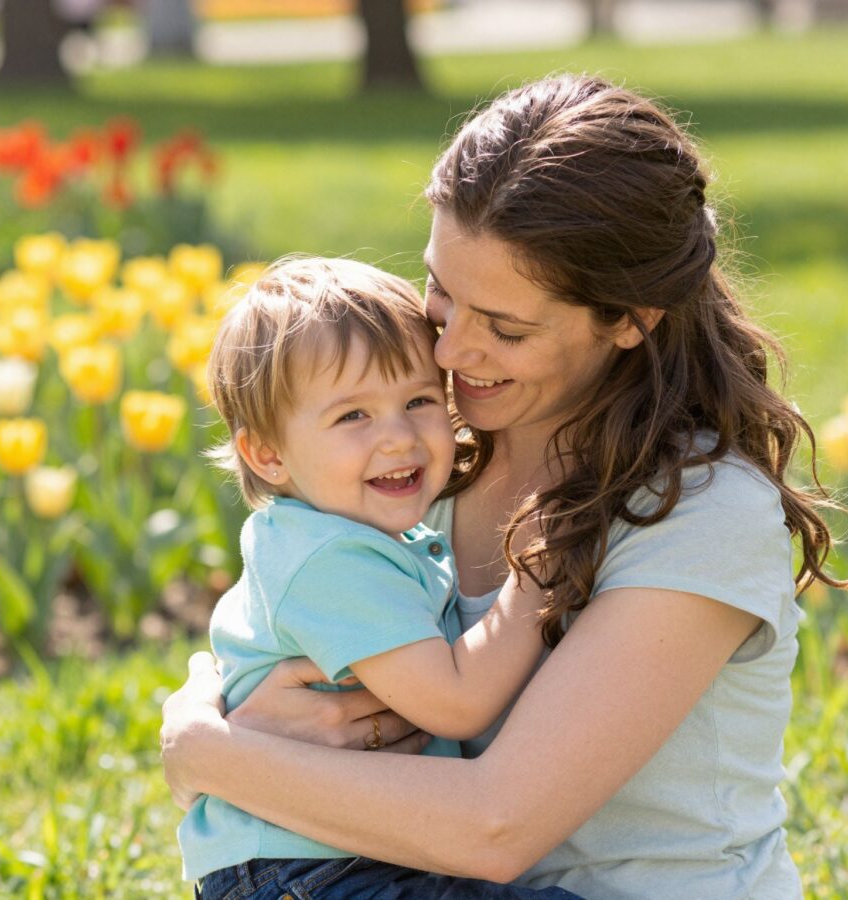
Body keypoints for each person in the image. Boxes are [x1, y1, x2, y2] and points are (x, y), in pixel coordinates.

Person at [162, 75, 846, 899]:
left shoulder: (699, 507)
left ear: (630, 319)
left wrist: (208, 753)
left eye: (506, 328)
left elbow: (495, 827)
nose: (449, 353)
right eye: (442, 294)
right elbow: (286, 622)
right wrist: (226, 706)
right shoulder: (421, 463)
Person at [182, 256, 579, 899]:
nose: (398, 437)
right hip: (309, 868)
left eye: (419, 401)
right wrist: (540, 567)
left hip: (348, 854)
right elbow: (456, 703)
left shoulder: (351, 536)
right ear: (268, 454)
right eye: (353, 416)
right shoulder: (330, 557)